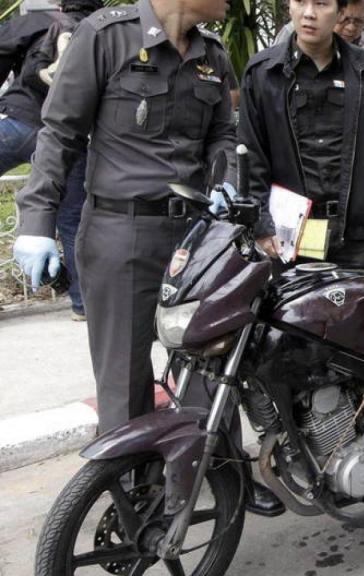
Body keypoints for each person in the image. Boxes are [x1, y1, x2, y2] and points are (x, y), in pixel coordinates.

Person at [12, 0, 283, 515]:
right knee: (125, 379)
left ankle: (225, 479)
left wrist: (226, 182)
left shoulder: (212, 54)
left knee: (214, 362)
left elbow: (222, 136)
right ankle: (133, 496)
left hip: (198, 235)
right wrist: (37, 222)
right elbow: (60, 133)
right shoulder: (105, 37)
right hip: (123, 232)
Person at [239, 0, 364, 270]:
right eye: (300, 2)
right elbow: (252, 154)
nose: (309, 13)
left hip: (356, 234)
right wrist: (260, 222)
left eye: (321, 3)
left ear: (340, 12)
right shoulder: (263, 74)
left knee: (359, 309)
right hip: (288, 236)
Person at [0, 0, 99, 320]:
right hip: (69, 138)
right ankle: (83, 305)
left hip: (19, 122)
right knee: (73, 222)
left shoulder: (39, 21)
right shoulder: (104, 31)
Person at [273, 0, 364, 72]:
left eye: (359, 21)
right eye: (345, 20)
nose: (351, 28)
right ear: (338, 13)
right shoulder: (296, 33)